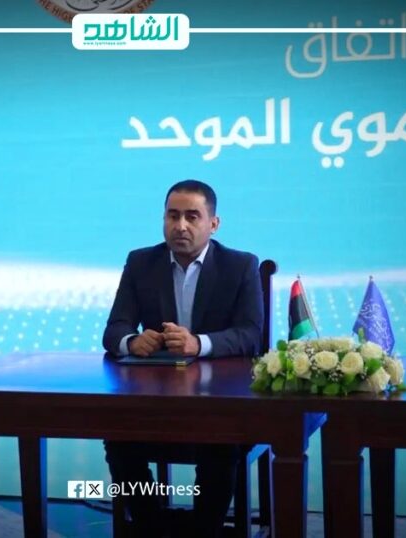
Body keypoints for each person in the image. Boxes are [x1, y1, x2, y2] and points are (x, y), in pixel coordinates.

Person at [102, 179, 264, 537]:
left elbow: (250, 334)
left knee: (219, 443)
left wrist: (199, 344)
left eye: (192, 216)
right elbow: (114, 330)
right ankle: (150, 526)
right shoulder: (141, 262)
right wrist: (132, 341)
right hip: (157, 399)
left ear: (213, 223)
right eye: (172, 216)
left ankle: (205, 530)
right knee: (118, 439)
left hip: (220, 401)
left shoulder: (240, 265)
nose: (180, 226)